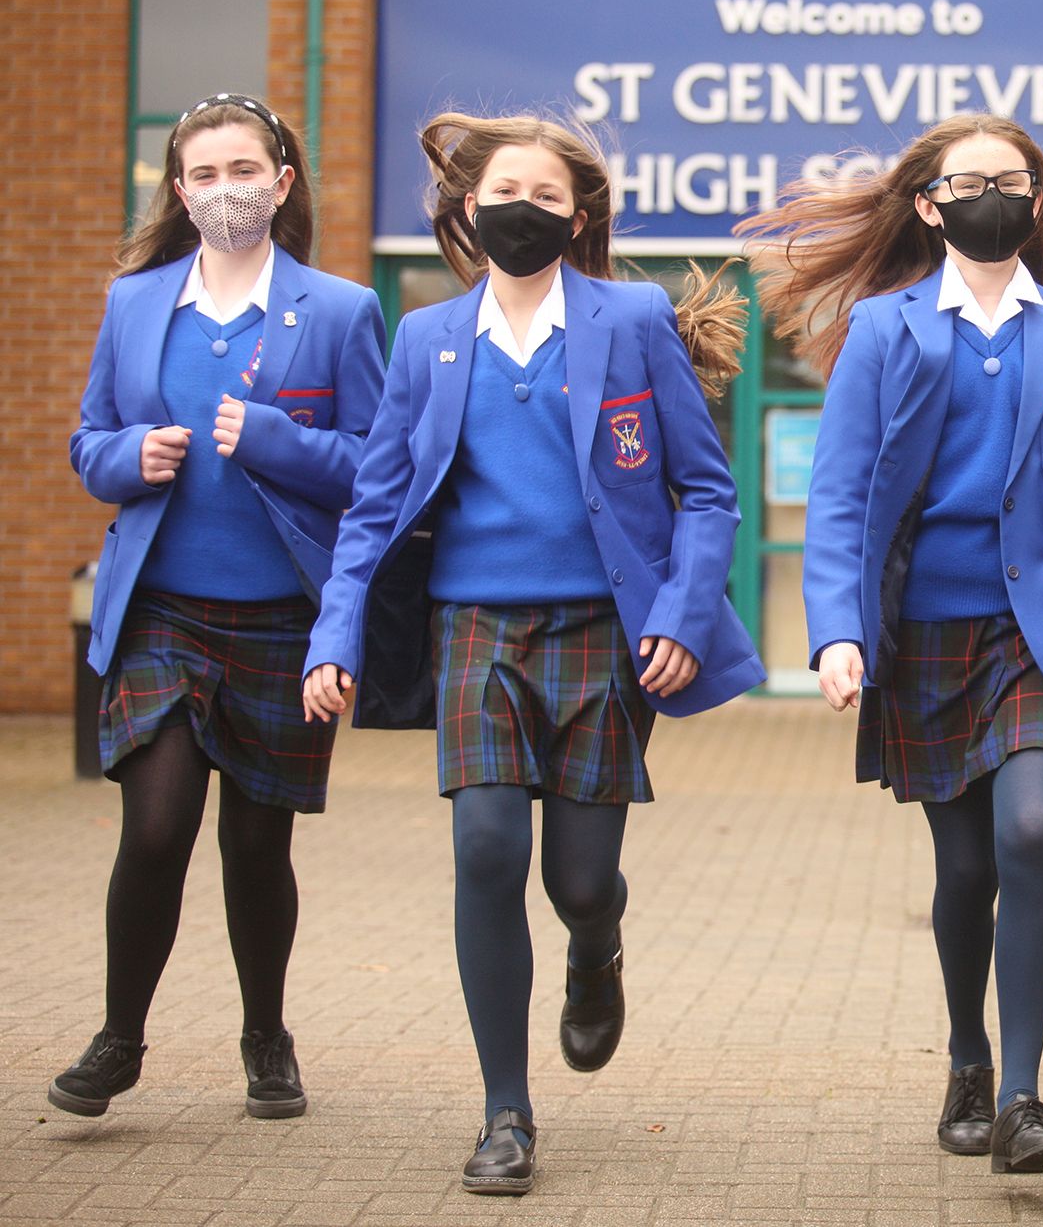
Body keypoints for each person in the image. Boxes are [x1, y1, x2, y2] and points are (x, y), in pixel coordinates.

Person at [301, 112, 764, 1195]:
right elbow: (372, 509)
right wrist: (337, 632)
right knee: (486, 850)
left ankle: (595, 946)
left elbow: (705, 488)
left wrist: (683, 615)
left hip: (604, 633)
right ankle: (505, 1109)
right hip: (474, 630)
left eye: (549, 195)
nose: (525, 208)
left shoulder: (635, 319)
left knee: (578, 876)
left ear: (579, 214)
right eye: (506, 190)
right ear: (469, 208)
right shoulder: (425, 335)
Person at [740, 113, 1043, 1174]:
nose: (994, 196)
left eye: (1013, 180)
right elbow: (839, 498)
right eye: (971, 180)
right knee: (965, 861)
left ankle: (1021, 1093)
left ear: (1038, 201)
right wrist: (835, 630)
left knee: (1030, 827)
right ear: (928, 204)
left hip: (1041, 636)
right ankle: (967, 1054)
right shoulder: (885, 330)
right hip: (924, 630)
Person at [55, 93, 386, 1120]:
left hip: (283, 618)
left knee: (256, 844)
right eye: (203, 174)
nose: (224, 189)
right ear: (180, 191)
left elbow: (381, 471)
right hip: (160, 610)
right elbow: (88, 440)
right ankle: (119, 1037)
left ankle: (266, 1035)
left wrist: (278, 439)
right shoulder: (135, 303)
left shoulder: (338, 310)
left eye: (243, 169)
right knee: (155, 826)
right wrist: (127, 456)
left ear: (282, 182)